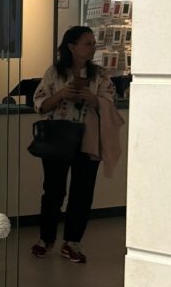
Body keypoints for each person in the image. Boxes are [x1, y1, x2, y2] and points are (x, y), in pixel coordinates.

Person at [31, 26, 124, 264]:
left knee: (82, 193)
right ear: (72, 46)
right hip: (58, 140)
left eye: (93, 43)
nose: (92, 47)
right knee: (53, 192)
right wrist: (62, 94)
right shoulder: (55, 72)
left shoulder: (100, 75)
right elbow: (40, 102)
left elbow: (109, 101)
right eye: (87, 43)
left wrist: (92, 99)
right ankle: (46, 238)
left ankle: (72, 242)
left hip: (88, 140)